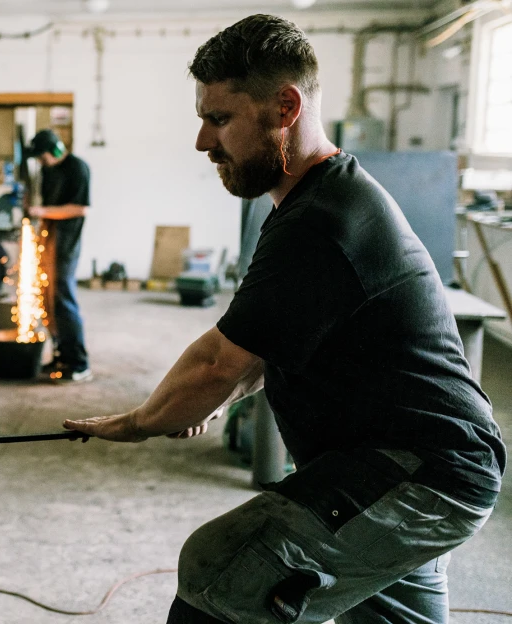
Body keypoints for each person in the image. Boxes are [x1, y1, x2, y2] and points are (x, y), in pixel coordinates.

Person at [64, 14, 505, 624]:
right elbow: (262, 351)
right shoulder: (319, 200)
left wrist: (137, 422)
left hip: (417, 471)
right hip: (423, 465)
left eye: (219, 119)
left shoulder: (322, 220)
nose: (202, 141)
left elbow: (219, 362)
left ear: (286, 107)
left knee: (218, 570)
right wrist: (218, 396)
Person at [27, 129, 92, 383]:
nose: (41, 162)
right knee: (47, 300)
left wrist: (41, 210)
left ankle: (79, 362)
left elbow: (80, 208)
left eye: (43, 157)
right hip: (48, 239)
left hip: (66, 243)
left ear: (55, 149)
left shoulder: (78, 168)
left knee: (63, 298)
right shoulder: (47, 169)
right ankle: (60, 356)